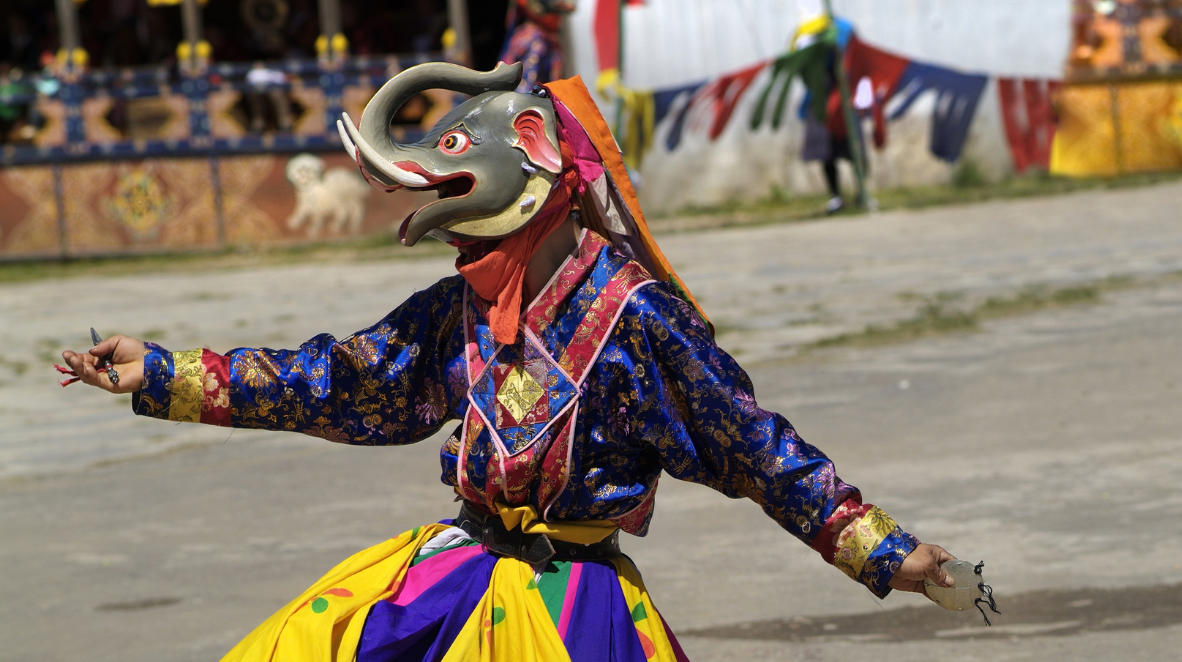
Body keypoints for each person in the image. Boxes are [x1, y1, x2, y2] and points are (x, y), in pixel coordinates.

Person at [60, 62, 955, 661]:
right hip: (457, 569)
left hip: (578, 602)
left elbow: (753, 447)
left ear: (533, 156)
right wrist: (168, 373)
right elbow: (344, 378)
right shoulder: (462, 312)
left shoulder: (639, 319)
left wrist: (882, 550)